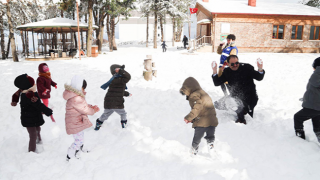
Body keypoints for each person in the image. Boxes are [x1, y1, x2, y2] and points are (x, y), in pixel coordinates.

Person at [211, 55, 265, 124]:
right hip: (235, 96)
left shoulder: (246, 68)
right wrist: (214, 71)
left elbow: (259, 77)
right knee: (219, 105)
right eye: (232, 64)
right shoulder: (227, 71)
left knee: (233, 103)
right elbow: (217, 82)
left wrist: (260, 68)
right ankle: (241, 110)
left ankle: (241, 119)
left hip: (250, 98)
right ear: (228, 64)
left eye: (237, 63)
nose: (235, 65)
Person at [11, 74, 53, 152]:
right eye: (32, 83)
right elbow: (38, 104)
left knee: (38, 129)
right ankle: (31, 151)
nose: (34, 85)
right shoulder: (30, 95)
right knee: (33, 134)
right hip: (28, 118)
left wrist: (14, 101)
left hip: (34, 115)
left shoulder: (24, 90)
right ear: (27, 85)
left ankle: (39, 141)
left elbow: (16, 94)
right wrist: (47, 111)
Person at [63, 75, 99, 160]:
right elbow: (84, 110)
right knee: (78, 140)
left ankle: (78, 149)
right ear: (79, 87)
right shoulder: (76, 98)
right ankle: (70, 154)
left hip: (76, 122)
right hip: (75, 123)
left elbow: (82, 106)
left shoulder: (75, 96)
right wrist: (93, 110)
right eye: (83, 88)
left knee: (80, 138)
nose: (84, 90)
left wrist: (90, 106)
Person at [180, 77, 218, 155]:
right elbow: (205, 108)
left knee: (196, 139)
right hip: (212, 120)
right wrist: (193, 119)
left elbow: (198, 107)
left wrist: (189, 117)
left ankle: (193, 152)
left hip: (202, 122)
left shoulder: (194, 95)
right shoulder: (203, 92)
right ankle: (211, 148)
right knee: (210, 137)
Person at [95, 64, 131, 130]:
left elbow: (118, 91)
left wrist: (127, 94)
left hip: (108, 102)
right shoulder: (121, 79)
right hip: (117, 103)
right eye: (120, 70)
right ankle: (124, 126)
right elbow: (128, 77)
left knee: (105, 115)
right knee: (123, 114)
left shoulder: (113, 80)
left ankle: (98, 123)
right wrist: (121, 71)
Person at [294, 57, 320, 142]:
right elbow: (314, 91)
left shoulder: (317, 76)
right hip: (315, 106)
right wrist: (306, 98)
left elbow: (314, 82)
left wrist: (318, 68)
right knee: (317, 128)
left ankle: (300, 141)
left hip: (314, 106)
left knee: (298, 117)